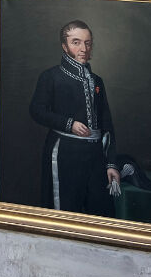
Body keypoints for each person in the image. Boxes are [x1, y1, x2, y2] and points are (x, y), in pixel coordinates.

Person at [28, 20, 121, 216]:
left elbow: (107, 124)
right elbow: (36, 110)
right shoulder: (51, 76)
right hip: (64, 153)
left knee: (101, 213)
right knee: (65, 212)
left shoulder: (97, 81)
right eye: (76, 42)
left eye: (87, 43)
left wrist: (111, 163)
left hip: (96, 157)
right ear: (64, 46)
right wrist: (68, 124)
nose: (83, 49)